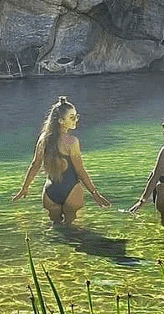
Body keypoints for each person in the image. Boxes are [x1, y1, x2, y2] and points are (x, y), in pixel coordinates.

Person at [13, 95, 113, 225]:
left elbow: (35, 165)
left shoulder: (43, 139)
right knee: (72, 229)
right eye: (72, 118)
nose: (75, 120)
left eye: (76, 116)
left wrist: (25, 188)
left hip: (50, 193)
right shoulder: (72, 142)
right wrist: (95, 194)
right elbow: (80, 171)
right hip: (71, 191)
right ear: (60, 120)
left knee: (56, 229)